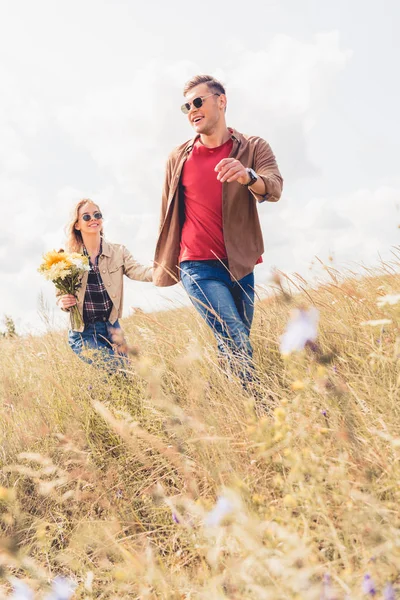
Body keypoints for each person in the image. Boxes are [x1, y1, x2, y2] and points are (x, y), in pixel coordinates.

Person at [153, 75, 283, 387]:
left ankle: (228, 402)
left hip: (240, 263)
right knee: (236, 337)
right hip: (197, 266)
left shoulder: (252, 147)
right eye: (186, 106)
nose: (192, 110)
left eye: (198, 102)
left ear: (221, 102)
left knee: (233, 342)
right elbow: (166, 214)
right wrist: (162, 263)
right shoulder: (178, 157)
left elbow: (275, 187)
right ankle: (259, 403)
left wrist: (248, 176)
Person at [57, 199, 153, 371]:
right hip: (83, 332)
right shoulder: (67, 258)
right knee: (117, 367)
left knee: (125, 375)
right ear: (77, 225)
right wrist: (62, 302)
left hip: (111, 327)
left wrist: (164, 271)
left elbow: (138, 271)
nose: (93, 219)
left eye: (97, 215)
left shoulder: (118, 252)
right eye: (86, 216)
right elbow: (60, 296)